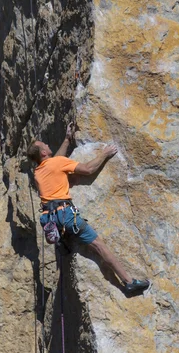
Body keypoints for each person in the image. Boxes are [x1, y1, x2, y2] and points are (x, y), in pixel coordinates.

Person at [27, 122, 150, 294]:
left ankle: (64, 240)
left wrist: (67, 139)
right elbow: (88, 169)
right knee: (99, 245)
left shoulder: (38, 172)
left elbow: (56, 162)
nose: (47, 145)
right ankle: (128, 282)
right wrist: (104, 154)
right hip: (66, 214)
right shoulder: (57, 163)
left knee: (75, 235)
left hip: (51, 219)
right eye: (45, 145)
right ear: (44, 153)